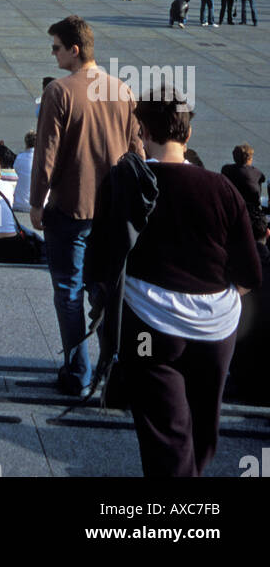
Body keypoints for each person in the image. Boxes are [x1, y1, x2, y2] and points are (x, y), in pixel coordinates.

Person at [89, 89, 261, 478]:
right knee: (203, 429)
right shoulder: (223, 190)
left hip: (149, 329)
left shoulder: (125, 183)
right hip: (215, 330)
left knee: (165, 434)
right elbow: (250, 275)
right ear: (188, 134)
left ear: (141, 131)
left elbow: (99, 264)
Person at [29, 15, 143, 398]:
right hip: (113, 214)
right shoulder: (122, 92)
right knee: (111, 292)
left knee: (68, 290)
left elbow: (45, 156)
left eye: (56, 47)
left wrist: (35, 203)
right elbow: (137, 153)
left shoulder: (59, 92)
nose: (52, 52)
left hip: (71, 209)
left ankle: (77, 373)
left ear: (74, 50)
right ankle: (113, 369)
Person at [221, 144, 267, 232]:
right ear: (249, 159)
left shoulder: (226, 169)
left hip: (231, 209)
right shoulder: (256, 172)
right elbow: (262, 178)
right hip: (251, 211)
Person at [12, 130, 38, 213]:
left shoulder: (19, 157)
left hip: (19, 204)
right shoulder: (43, 159)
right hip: (38, 205)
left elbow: (15, 170)